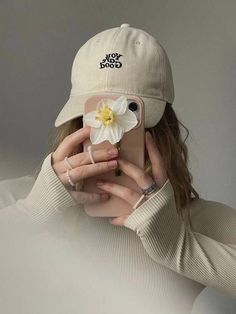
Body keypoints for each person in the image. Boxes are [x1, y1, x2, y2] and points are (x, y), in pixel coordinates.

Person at [0, 23, 236, 314]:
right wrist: (33, 211)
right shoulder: (19, 200)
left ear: (163, 133)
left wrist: (178, 245)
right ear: (74, 124)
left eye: (131, 126)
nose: (113, 140)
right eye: (93, 121)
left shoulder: (188, 220)